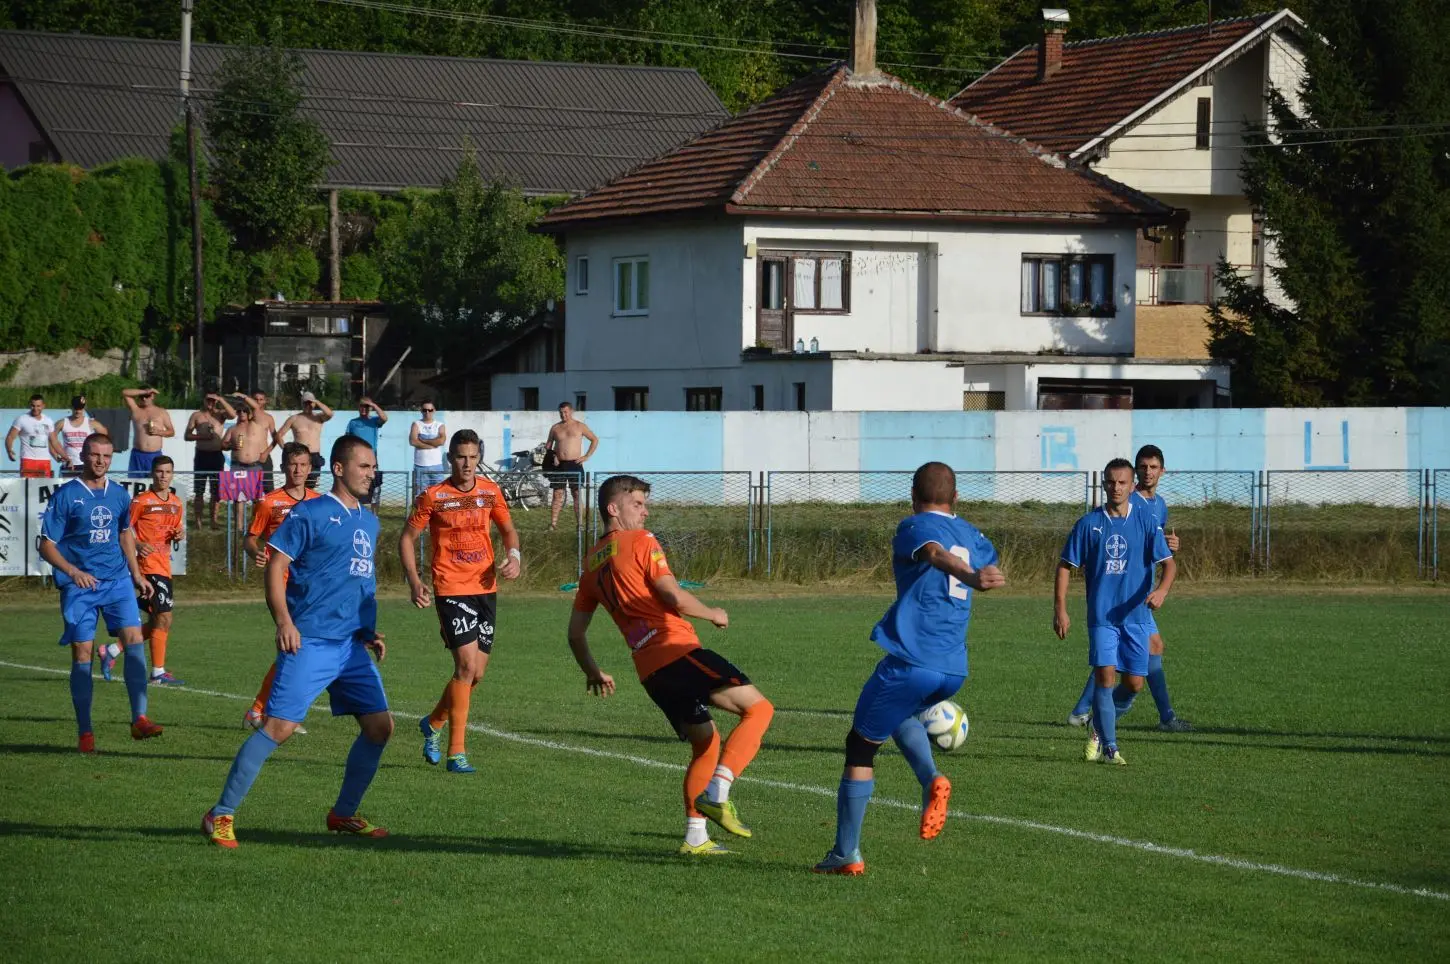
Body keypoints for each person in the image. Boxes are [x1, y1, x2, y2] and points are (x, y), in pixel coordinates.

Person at [813, 462, 1005, 876]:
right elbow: (982, 558)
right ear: (956, 498)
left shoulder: (914, 526)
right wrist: (976, 573)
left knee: (860, 746)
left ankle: (846, 854)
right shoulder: (973, 534)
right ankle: (930, 780)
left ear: (913, 497)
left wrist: (968, 575)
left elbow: (934, 553)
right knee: (900, 716)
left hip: (912, 661)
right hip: (954, 668)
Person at [567, 475, 774, 856]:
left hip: (650, 672)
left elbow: (575, 635)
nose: (645, 512)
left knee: (706, 741)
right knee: (759, 710)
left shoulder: (589, 565)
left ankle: (695, 837)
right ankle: (718, 792)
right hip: (677, 651)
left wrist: (592, 671)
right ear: (613, 508)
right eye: (637, 504)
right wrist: (711, 613)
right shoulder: (640, 540)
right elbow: (671, 595)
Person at [203, 435, 391, 849]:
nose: (371, 474)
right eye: (364, 466)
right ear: (339, 469)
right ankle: (221, 813)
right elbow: (276, 566)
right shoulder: (311, 512)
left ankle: (342, 813)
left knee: (380, 727)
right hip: (310, 641)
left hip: (350, 646)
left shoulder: (369, 520)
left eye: (373, 467)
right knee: (278, 728)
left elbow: (362, 580)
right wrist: (284, 621)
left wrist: (368, 630)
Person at [399, 429, 520, 774]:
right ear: (449, 458)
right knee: (465, 667)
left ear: (479, 457)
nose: (467, 464)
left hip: (485, 587)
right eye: (460, 457)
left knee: (476, 673)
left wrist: (514, 556)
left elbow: (508, 530)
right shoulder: (433, 496)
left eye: (472, 457)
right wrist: (414, 581)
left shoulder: (490, 491)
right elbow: (406, 538)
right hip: (451, 588)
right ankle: (457, 754)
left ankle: (433, 722)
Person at [37, 433, 163, 753]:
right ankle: (85, 732)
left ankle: (139, 719)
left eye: (107, 456)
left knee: (134, 641)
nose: (101, 461)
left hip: (117, 581)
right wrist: (73, 572)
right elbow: (46, 545)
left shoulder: (119, 494)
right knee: (82, 654)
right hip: (80, 587)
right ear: (83, 455)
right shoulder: (66, 495)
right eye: (95, 455)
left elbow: (125, 534)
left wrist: (137, 575)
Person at [1054, 458, 1177, 767]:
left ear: (1132, 486)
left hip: (1137, 617)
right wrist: (1060, 608)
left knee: (1134, 683)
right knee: (1105, 676)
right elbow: (1065, 566)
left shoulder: (1146, 521)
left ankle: (1098, 726)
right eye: (1110, 482)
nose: (1116, 488)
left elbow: (1169, 564)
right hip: (1102, 616)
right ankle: (1110, 748)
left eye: (1122, 482)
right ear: (1103, 484)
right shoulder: (1089, 524)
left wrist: (1161, 591)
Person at [1066, 444, 1191, 732]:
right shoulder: (1128, 500)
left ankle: (1084, 712)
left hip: (1140, 594)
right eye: (1143, 467)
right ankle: (1163, 718)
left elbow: (1150, 545)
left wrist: (1169, 547)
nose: (1148, 472)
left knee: (1131, 653)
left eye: (1153, 467)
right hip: (1120, 595)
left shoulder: (1159, 505)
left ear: (1162, 471)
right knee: (1118, 656)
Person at [241, 443, 321, 733]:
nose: (297, 470)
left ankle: (263, 711)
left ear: (310, 468)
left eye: (302, 464)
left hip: (311, 586)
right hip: (282, 585)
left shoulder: (319, 502)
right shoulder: (269, 502)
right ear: (284, 467)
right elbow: (250, 538)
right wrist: (256, 552)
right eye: (292, 464)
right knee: (295, 648)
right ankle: (271, 712)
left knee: (296, 650)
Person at [130, 455, 186, 686]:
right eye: (160, 471)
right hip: (147, 566)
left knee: (158, 619)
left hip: (164, 566)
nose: (163, 476)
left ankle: (111, 650)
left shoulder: (176, 503)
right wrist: (137, 544)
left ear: (172, 474)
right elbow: (123, 529)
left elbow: (178, 529)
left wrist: (179, 534)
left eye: (168, 472)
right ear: (152, 473)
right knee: (164, 617)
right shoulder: (141, 501)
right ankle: (157, 673)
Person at [544, 402, 598, 531]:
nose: (563, 415)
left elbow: (594, 439)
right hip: (559, 465)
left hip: (575, 464)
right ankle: (553, 524)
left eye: (565, 412)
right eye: (561, 412)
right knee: (557, 494)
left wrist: (586, 456)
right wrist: (553, 456)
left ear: (571, 411)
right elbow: (548, 446)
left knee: (576, 494)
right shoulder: (555, 428)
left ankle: (580, 525)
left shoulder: (580, 426)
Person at [184, 393, 235, 528]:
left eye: (213, 401)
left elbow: (233, 414)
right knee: (199, 491)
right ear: (204, 400)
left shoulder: (220, 414)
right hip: (201, 456)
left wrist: (221, 399)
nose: (210, 403)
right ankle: (198, 520)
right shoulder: (196, 415)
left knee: (216, 491)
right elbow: (187, 435)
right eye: (208, 400)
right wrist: (202, 437)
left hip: (216, 456)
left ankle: (214, 520)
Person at [273, 392, 334, 489]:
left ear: (314, 404)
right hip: (299, 456)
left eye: (310, 403)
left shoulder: (319, 417)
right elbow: (279, 435)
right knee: (297, 484)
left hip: (314, 456)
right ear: (302, 404)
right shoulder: (294, 419)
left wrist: (316, 401)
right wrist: (286, 450)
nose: (308, 405)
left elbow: (330, 413)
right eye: (306, 403)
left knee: (312, 486)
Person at [220, 396, 271, 509]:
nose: (242, 413)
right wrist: (231, 445)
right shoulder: (232, 429)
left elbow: (257, 408)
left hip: (254, 466)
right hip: (238, 466)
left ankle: (255, 521)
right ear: (237, 413)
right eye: (239, 411)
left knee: (256, 499)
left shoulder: (257, 426)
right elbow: (222, 445)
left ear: (249, 413)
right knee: (238, 499)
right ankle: (238, 522)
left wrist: (266, 453)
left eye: (245, 411)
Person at [122, 387, 174, 480]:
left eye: (147, 396)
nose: (144, 398)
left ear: (152, 396)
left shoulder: (161, 412)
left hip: (155, 455)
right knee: (135, 483)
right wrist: (145, 391)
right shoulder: (136, 409)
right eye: (141, 396)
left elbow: (171, 432)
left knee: (155, 482)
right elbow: (125, 392)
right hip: (137, 454)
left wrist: (159, 432)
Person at [345, 396, 388, 507]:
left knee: (373, 482)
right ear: (358, 407)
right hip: (356, 457)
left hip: (371, 457)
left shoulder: (374, 421)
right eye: (362, 406)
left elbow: (384, 418)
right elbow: (347, 440)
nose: (364, 408)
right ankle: (357, 506)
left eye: (366, 406)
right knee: (357, 481)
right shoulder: (353, 423)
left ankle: (372, 511)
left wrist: (373, 405)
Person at [7, 393, 61, 477]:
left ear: (43, 406)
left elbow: (54, 441)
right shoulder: (22, 419)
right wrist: (9, 451)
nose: (35, 408)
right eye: (33, 406)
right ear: (30, 405)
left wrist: (64, 456)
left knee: (45, 484)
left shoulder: (48, 420)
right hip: (28, 460)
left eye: (38, 406)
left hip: (44, 461)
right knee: (27, 484)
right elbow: (10, 437)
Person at [53, 395, 108, 477]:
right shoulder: (62, 423)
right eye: (76, 408)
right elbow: (51, 438)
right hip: (69, 464)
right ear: (71, 407)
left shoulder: (92, 423)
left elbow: (106, 440)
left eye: (80, 408)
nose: (78, 411)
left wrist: (99, 457)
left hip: (86, 464)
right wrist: (55, 455)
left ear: (84, 408)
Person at [408, 400, 447, 492]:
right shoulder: (416, 424)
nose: (427, 412)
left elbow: (441, 441)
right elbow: (413, 441)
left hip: (436, 465)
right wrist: (432, 445)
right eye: (424, 410)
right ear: (421, 411)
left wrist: (423, 440)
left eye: (430, 410)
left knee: (438, 493)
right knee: (421, 494)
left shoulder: (439, 425)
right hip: (420, 465)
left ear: (434, 411)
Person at [250, 391, 279, 493]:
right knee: (252, 491)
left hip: (264, 458)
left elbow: (276, 438)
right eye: (256, 399)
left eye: (261, 399)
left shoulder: (268, 418)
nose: (258, 402)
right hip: (249, 459)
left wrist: (266, 453)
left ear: (265, 401)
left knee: (269, 491)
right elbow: (240, 434)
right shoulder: (246, 416)